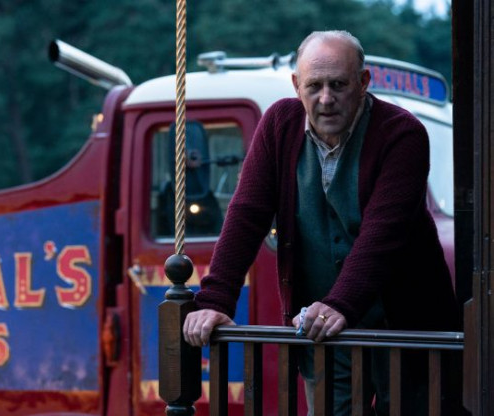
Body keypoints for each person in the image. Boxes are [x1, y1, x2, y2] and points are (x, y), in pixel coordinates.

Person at [182, 30, 460, 415]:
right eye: (314, 86)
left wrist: (339, 303)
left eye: (338, 85)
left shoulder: (402, 133)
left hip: (405, 326)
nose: (326, 99)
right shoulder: (279, 124)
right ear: (297, 86)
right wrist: (216, 299)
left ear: (363, 82)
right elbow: (247, 213)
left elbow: (384, 232)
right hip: (326, 328)